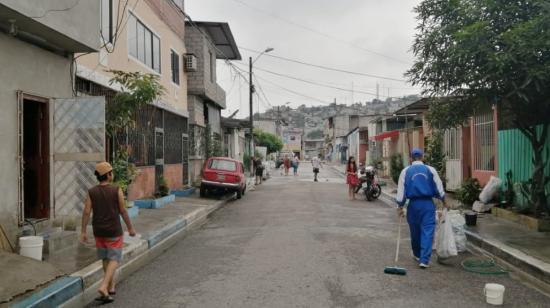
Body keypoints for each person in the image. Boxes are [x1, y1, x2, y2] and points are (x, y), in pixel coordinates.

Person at [80, 162, 136, 304]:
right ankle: (104, 286)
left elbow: (86, 212)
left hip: (98, 231)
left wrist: (83, 231)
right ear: (109, 175)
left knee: (105, 258)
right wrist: (130, 228)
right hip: (113, 231)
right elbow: (123, 211)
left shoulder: (91, 192)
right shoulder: (116, 190)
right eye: (111, 172)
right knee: (114, 258)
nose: (113, 174)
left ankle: (111, 286)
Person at [396, 148, 447, 269]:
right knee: (428, 231)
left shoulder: (405, 171)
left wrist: (400, 206)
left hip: (413, 205)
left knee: (415, 231)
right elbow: (439, 187)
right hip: (427, 205)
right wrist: (444, 201)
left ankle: (417, 254)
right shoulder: (430, 170)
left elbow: (401, 191)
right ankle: (424, 260)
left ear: (411, 158)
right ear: (422, 157)